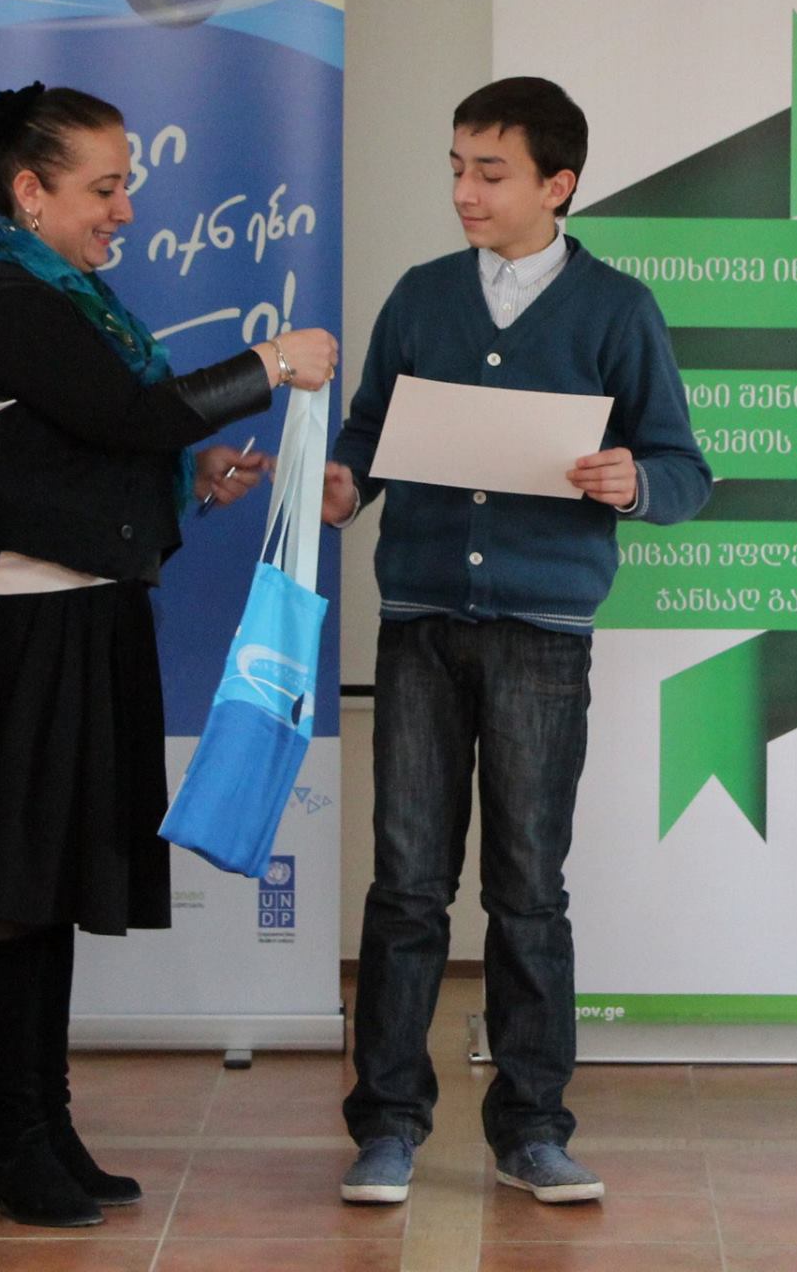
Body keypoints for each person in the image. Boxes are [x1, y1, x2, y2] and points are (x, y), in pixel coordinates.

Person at [0, 82, 339, 1229]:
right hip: (10, 632)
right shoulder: (4, 301)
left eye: (124, 184)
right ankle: (2, 1131)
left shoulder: (68, 298)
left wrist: (191, 473)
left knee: (44, 891)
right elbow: (127, 416)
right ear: (29, 192)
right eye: (104, 186)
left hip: (77, 620)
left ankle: (38, 1123)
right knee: (6, 892)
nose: (124, 208)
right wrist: (268, 364)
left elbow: (87, 442)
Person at [323, 76, 712, 1207]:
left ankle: (532, 1128)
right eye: (455, 166)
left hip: (543, 634)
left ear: (558, 184)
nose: (464, 190)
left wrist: (633, 481)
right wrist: (343, 485)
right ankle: (386, 1126)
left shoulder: (616, 309)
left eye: (489, 171)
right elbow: (366, 432)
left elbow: (683, 469)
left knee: (528, 886)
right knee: (406, 886)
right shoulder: (421, 295)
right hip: (419, 623)